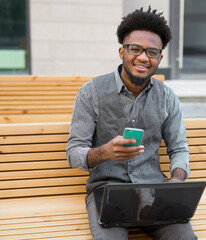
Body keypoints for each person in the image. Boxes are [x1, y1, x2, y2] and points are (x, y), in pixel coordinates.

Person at [66, 6, 197, 240]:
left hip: (154, 192)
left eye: (152, 52)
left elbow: (179, 148)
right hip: (107, 193)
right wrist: (103, 153)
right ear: (122, 52)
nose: (143, 57)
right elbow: (73, 153)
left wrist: (176, 181)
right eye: (135, 49)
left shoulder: (167, 97)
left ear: (160, 57)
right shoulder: (91, 93)